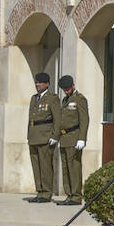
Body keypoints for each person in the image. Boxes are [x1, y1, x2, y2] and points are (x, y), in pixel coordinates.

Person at [26, 72, 61, 203]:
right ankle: (39, 191)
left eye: (40, 82)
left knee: (45, 165)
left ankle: (46, 193)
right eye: (36, 82)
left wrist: (55, 136)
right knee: (36, 165)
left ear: (47, 84)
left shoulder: (52, 98)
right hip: (34, 136)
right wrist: (28, 135)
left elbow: (57, 118)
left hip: (45, 136)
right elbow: (30, 118)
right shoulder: (34, 98)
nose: (37, 84)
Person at [56, 75, 89, 206]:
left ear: (73, 86)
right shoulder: (65, 100)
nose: (66, 91)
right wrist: (58, 137)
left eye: (68, 89)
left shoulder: (80, 99)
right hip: (64, 138)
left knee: (74, 167)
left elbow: (84, 120)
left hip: (74, 137)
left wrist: (82, 138)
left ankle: (76, 196)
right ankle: (69, 194)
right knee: (65, 168)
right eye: (64, 89)